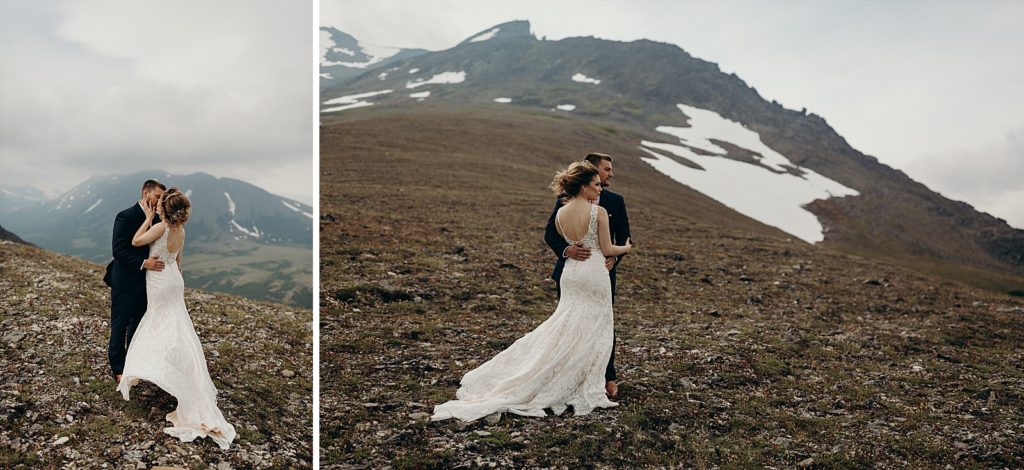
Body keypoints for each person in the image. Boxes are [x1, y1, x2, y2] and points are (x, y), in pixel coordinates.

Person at [432, 161, 632, 422]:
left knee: (566, 324)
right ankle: (582, 381)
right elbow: (607, 248)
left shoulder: (562, 212)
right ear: (584, 186)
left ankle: (565, 374)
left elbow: (560, 234)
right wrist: (625, 248)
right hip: (593, 274)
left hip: (571, 274)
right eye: (596, 185)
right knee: (595, 327)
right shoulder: (600, 212)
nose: (600, 188)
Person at [115, 187, 236, 450]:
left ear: (163, 210)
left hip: (158, 281)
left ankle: (149, 367)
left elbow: (136, 242)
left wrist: (148, 219)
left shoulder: (160, 228)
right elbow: (179, 263)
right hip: (174, 279)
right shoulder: (181, 231)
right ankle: (175, 368)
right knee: (177, 325)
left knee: (157, 323)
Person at [544, 153, 630, 398]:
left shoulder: (615, 201)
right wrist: (565, 249)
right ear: (592, 172)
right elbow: (550, 233)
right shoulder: (564, 200)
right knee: (571, 324)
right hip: (571, 269)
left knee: (603, 325)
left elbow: (625, 234)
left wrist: (615, 258)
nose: (610, 174)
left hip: (601, 272)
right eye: (606, 169)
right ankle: (568, 375)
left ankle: (607, 376)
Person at [106, 179, 166, 383]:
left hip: (148, 283)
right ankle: (118, 368)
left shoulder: (159, 219)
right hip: (124, 281)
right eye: (158, 197)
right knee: (119, 324)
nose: (160, 202)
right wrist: (143, 263)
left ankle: (133, 363)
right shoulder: (125, 216)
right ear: (145, 193)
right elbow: (119, 250)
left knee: (138, 324)